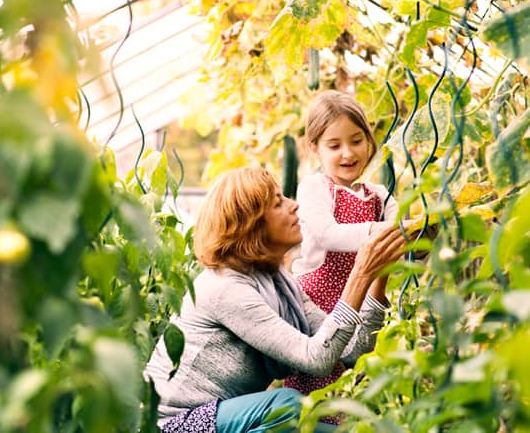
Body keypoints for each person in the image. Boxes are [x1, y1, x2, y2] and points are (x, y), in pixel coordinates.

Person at [144, 167, 408, 432]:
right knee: (289, 406)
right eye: (278, 203)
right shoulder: (225, 288)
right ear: (250, 224)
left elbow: (352, 351)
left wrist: (379, 272)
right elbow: (317, 359)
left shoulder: (279, 284)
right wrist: (360, 274)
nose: (294, 206)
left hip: (221, 419)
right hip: (173, 425)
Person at [284, 91, 410, 399]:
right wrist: (386, 231)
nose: (347, 153)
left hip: (361, 300)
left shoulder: (380, 194)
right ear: (313, 148)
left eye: (356, 140)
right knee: (318, 388)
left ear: (369, 140)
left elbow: (402, 239)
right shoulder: (315, 187)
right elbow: (329, 234)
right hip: (315, 302)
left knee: (355, 388)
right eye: (334, 145)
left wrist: (416, 234)